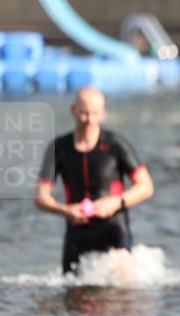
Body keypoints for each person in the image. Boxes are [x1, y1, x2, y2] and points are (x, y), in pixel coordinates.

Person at [35, 87, 155, 274]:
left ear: (103, 113)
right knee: (72, 295)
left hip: (114, 229)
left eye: (95, 114)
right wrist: (65, 210)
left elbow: (146, 186)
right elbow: (41, 197)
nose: (90, 120)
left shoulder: (116, 144)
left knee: (121, 291)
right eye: (84, 113)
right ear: (73, 110)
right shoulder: (59, 148)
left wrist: (117, 201)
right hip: (77, 232)